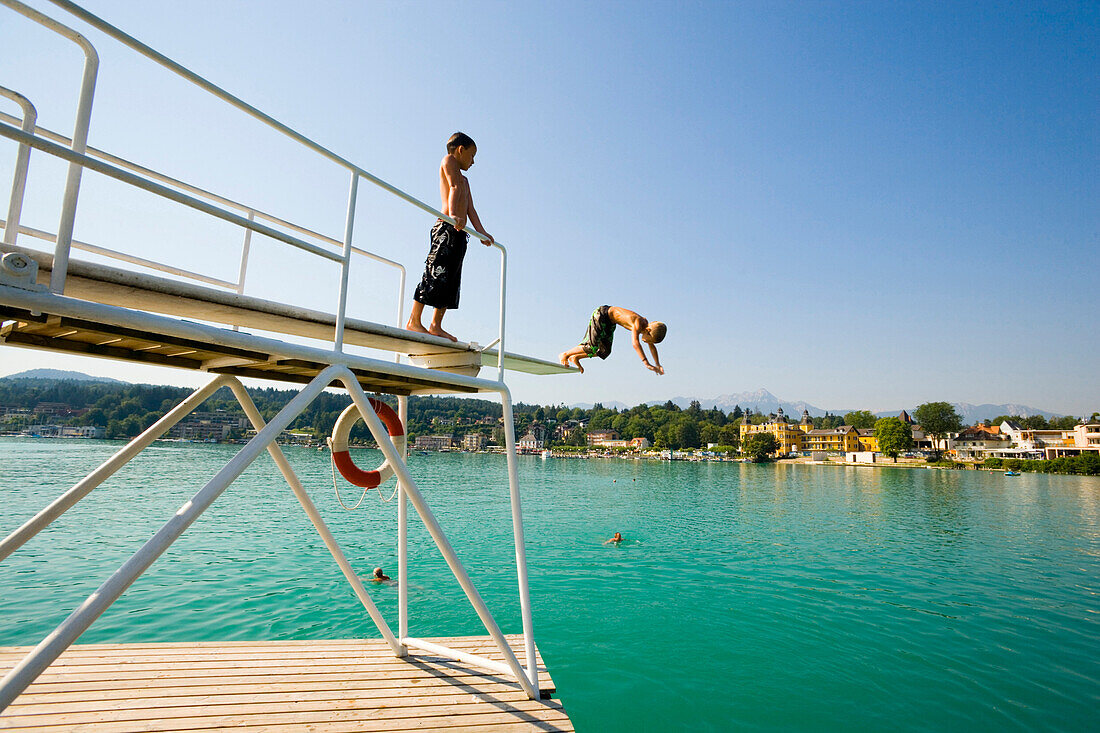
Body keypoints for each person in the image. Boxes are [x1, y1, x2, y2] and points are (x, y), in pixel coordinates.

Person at [406, 132, 494, 342]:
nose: (473, 162)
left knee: (451, 279)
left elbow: (471, 209)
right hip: (446, 228)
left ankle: (436, 324)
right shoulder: (449, 161)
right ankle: (414, 320)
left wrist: (481, 231)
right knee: (435, 272)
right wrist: (453, 214)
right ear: (460, 150)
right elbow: (452, 187)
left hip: (460, 233)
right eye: (472, 156)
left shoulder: (466, 180)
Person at [559, 306, 666, 374]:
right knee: (592, 346)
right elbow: (635, 343)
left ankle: (576, 357)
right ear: (648, 331)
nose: (647, 342)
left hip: (610, 323)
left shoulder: (646, 329)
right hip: (601, 315)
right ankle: (565, 354)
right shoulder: (638, 323)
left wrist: (657, 364)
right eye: (649, 340)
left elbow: (652, 347)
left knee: (605, 351)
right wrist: (646, 362)